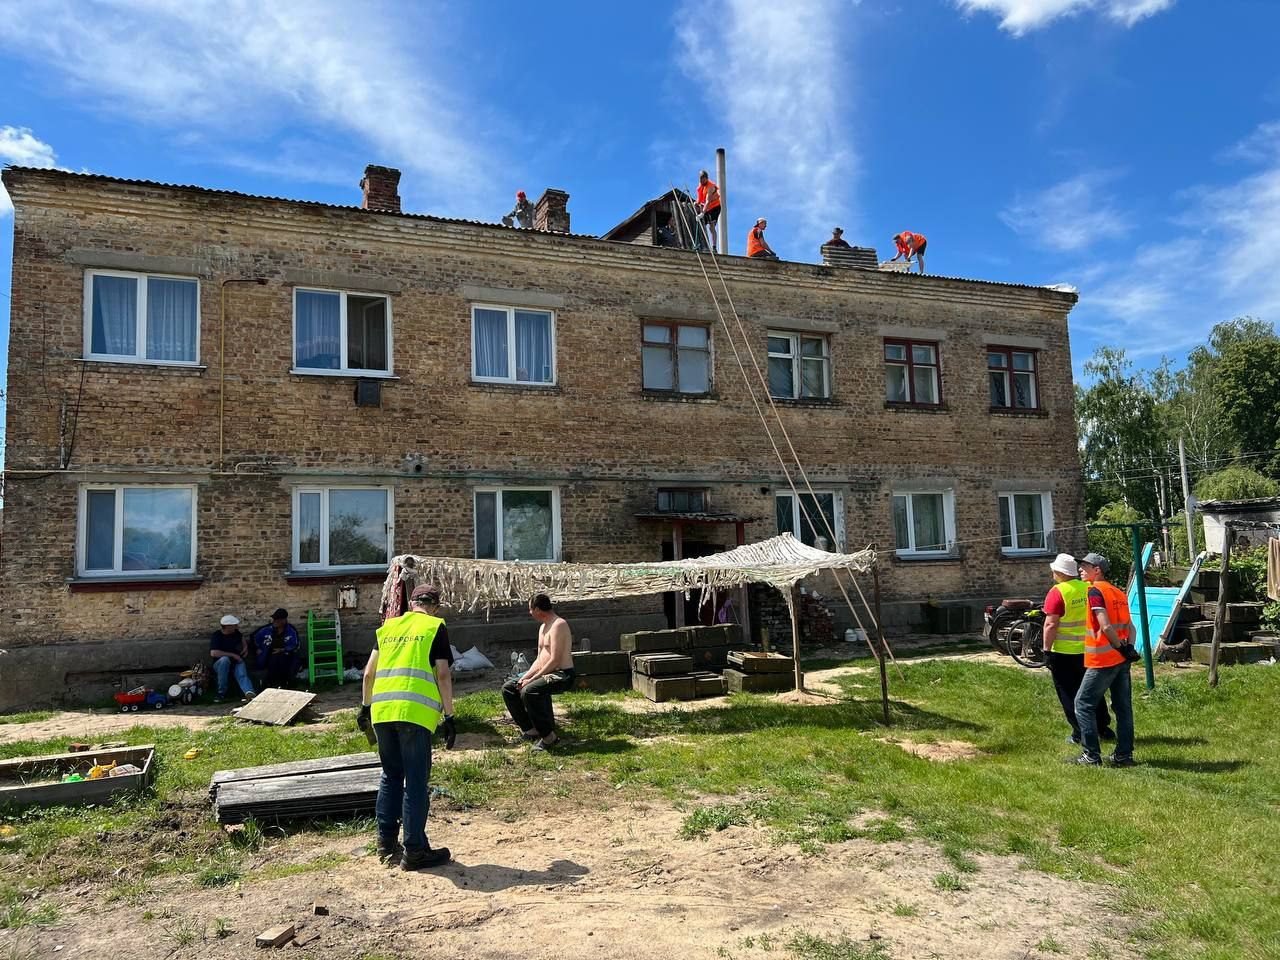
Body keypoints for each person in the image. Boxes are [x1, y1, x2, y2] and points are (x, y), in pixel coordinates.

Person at [360, 583, 456, 870]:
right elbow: (442, 674)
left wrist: (365, 708)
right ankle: (414, 851)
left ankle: (386, 843)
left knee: (390, 775)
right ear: (434, 606)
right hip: (414, 714)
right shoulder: (434, 627)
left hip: (382, 711)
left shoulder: (387, 628)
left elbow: (368, 673)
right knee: (415, 780)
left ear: (411, 603)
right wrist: (450, 716)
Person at [1041, 554, 1113, 747]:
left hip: (1064, 653)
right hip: (1090, 649)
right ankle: (1103, 727)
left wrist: (1046, 650)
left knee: (1069, 693)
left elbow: (1051, 624)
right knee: (1092, 691)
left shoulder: (1057, 592)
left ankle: (1079, 731)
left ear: (1059, 572)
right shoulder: (1089, 588)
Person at [1075, 552, 1137, 767]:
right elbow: (1131, 627)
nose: (1080, 570)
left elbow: (1106, 625)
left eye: (1084, 566)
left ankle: (1091, 756)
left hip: (1103, 659)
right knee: (1123, 708)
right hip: (1122, 660)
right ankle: (1124, 755)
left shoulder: (1095, 591)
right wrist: (1128, 648)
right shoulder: (1118, 592)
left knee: (1083, 704)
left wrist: (1117, 646)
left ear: (1097, 569)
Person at [501, 594, 576, 751]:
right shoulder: (543, 627)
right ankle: (531, 730)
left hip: (561, 673)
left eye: (530, 609)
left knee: (529, 691)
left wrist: (532, 680)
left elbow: (555, 660)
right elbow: (540, 659)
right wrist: (526, 677)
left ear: (537, 609)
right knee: (509, 688)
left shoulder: (559, 625)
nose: (529, 612)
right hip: (544, 672)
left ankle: (549, 737)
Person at [209, 614, 255, 704]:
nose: (236, 627)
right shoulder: (217, 635)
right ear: (227, 627)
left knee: (242, 673)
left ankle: (249, 693)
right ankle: (221, 693)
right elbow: (213, 653)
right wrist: (233, 655)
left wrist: (245, 648)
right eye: (234, 625)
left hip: (236, 662)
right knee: (225, 660)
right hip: (220, 664)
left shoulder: (236, 633)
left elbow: (242, 639)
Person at [252, 608, 301, 690]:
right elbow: (254, 638)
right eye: (274, 619)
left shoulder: (291, 631)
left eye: (278, 620)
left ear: (284, 620)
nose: (275, 621)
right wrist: (257, 648)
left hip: (286, 655)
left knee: (281, 659)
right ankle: (274, 685)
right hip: (267, 656)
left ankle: (280, 684)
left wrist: (283, 649)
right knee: (274, 659)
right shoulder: (266, 629)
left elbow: (295, 645)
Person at [695, 169, 722, 252]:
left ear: (706, 178)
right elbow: (699, 198)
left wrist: (702, 213)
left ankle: (714, 247)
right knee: (702, 224)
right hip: (707, 208)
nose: (701, 181)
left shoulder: (710, 187)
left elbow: (707, 201)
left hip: (715, 208)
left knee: (711, 227)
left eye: (702, 179)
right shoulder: (701, 186)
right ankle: (701, 243)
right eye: (700, 179)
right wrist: (696, 203)